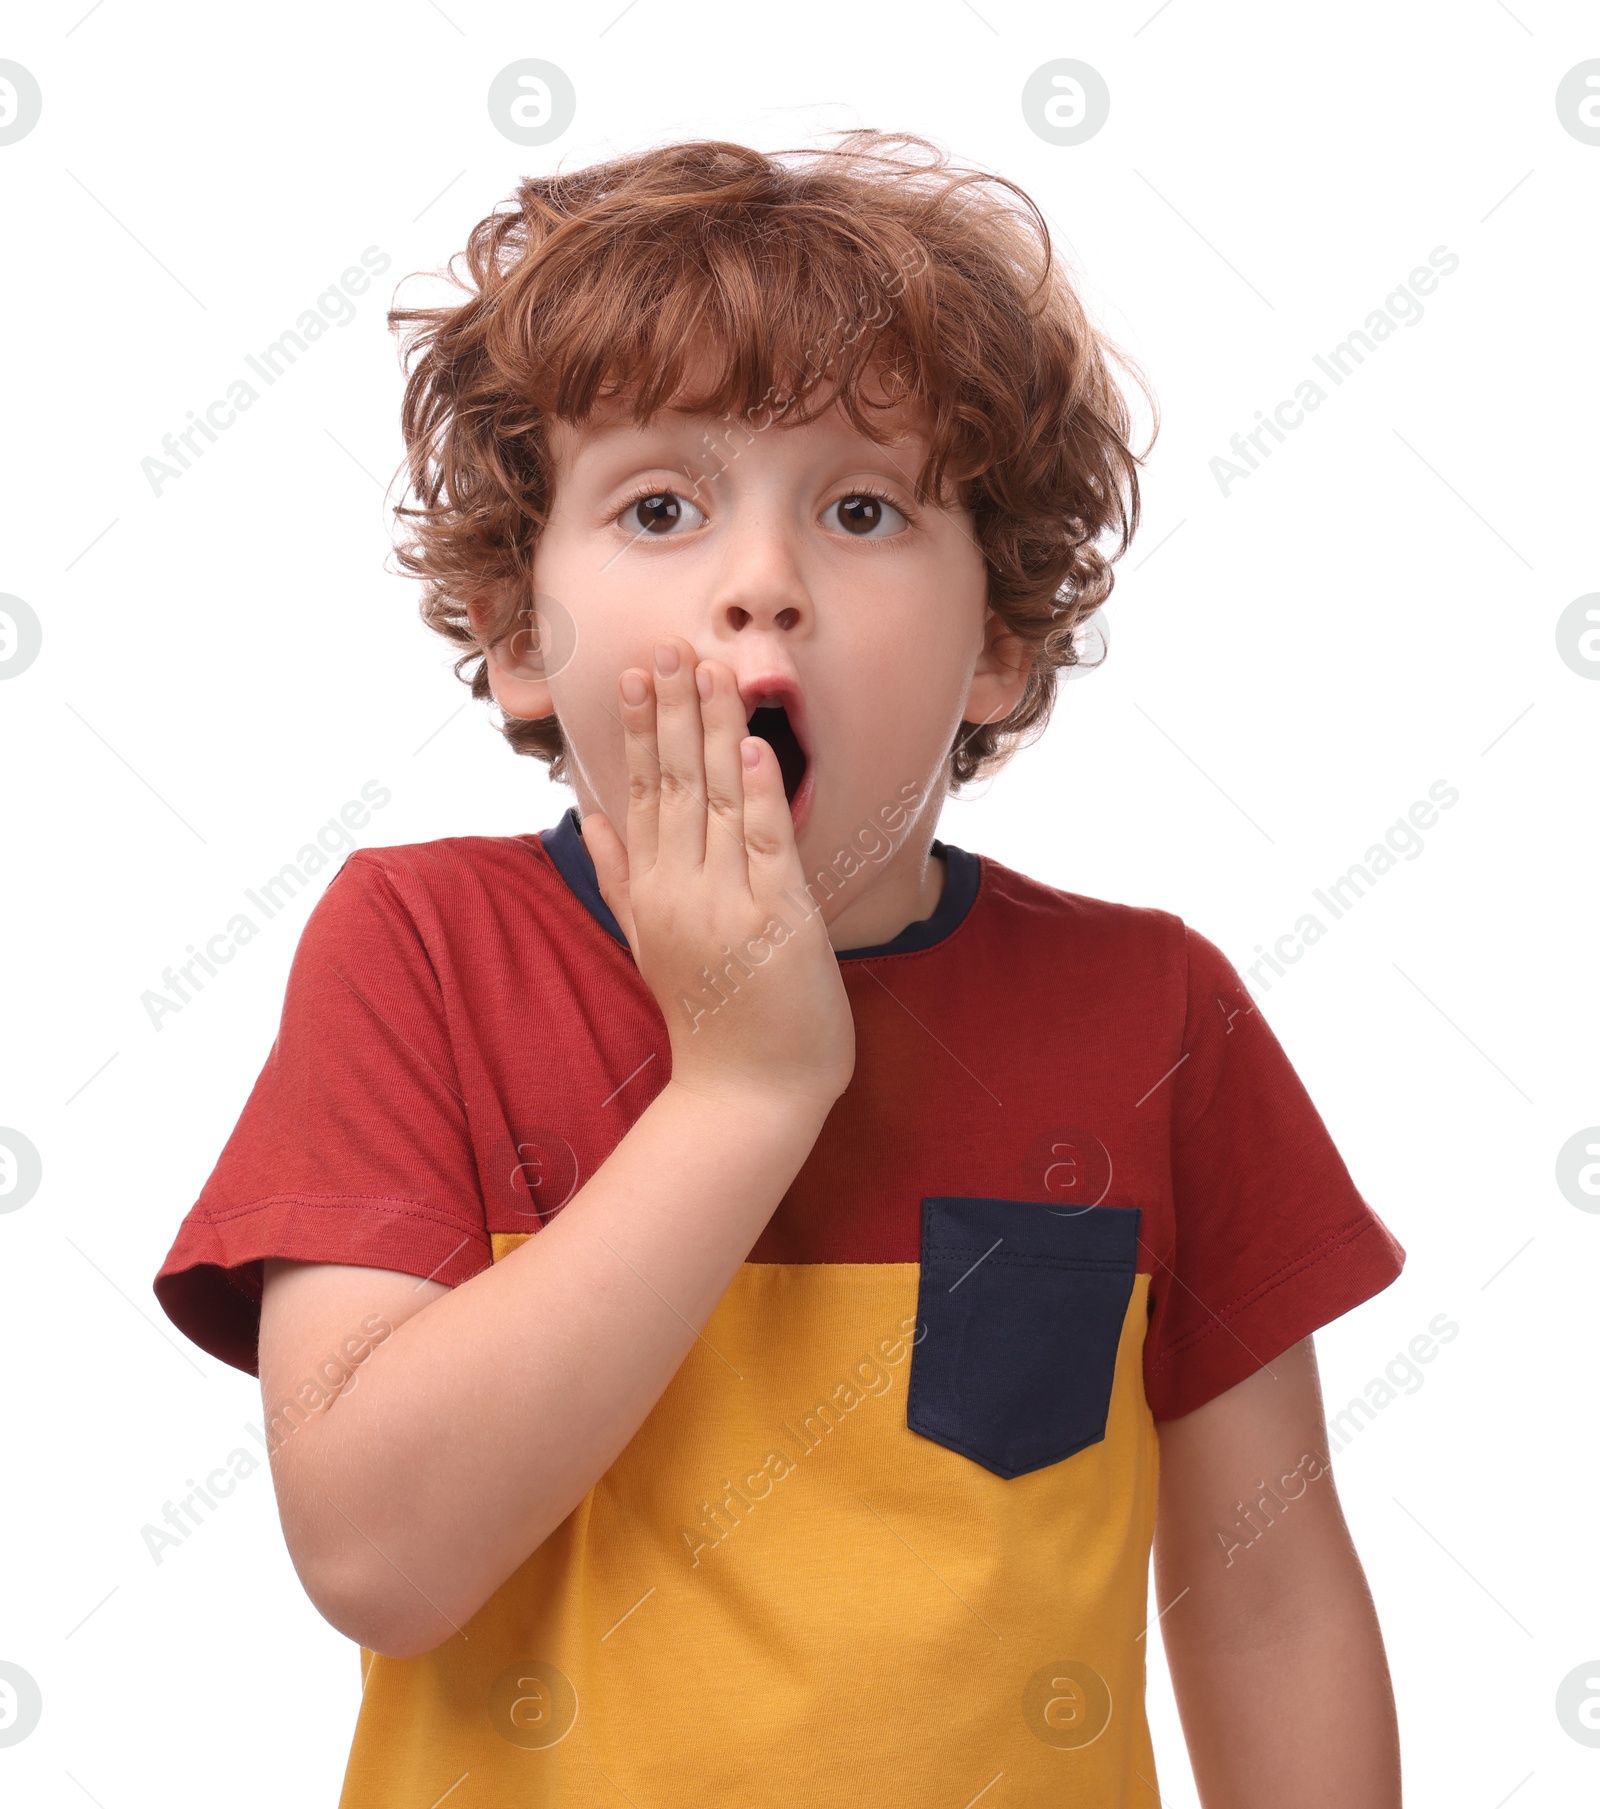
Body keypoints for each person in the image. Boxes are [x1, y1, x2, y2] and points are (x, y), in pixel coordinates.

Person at [152, 132, 1406, 1806]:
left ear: (999, 641)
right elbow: (378, 1553)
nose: (763, 585)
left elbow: (1267, 1610)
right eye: (661, 506)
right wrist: (746, 1084)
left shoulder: (1155, 1010)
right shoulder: (419, 952)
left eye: (864, 508)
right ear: (524, 635)